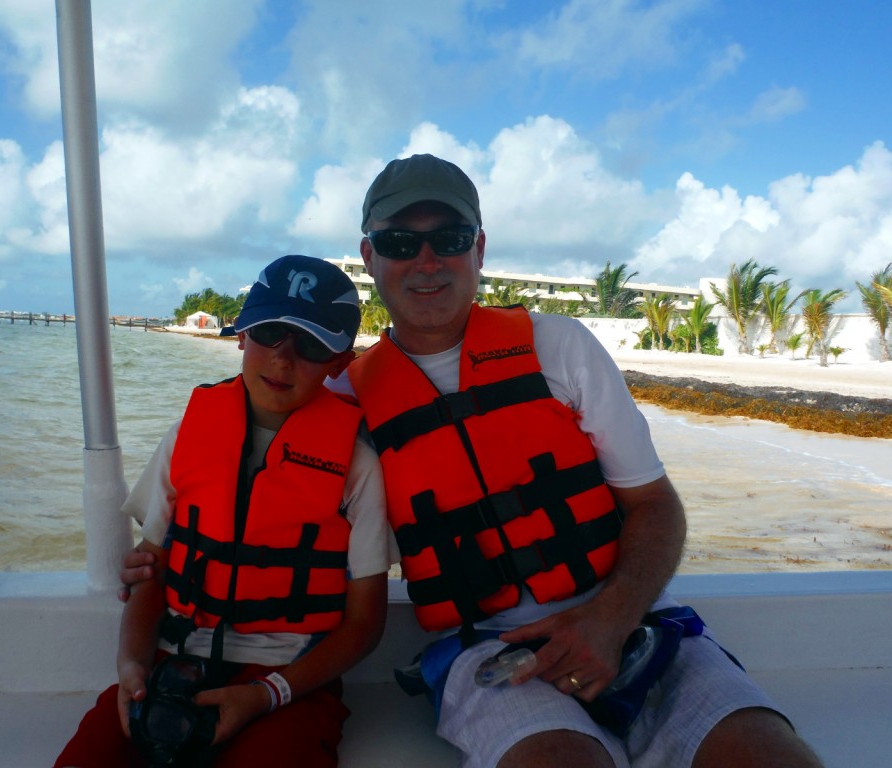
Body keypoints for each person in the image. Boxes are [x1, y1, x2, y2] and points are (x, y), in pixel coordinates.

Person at [123, 156, 823, 768]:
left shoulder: (561, 348)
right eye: (401, 242)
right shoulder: (339, 394)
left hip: (633, 621)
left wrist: (608, 621)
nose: (426, 262)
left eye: (448, 240)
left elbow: (654, 506)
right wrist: (155, 558)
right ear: (370, 257)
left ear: (479, 247)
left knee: (767, 754)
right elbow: (241, 486)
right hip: (483, 650)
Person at [56, 254, 390, 768]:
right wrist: (131, 667)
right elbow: (151, 570)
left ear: (340, 361)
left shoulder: (358, 465)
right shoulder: (190, 432)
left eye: (311, 344)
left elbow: (364, 623)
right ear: (241, 334)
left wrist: (267, 694)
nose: (283, 359)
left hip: (289, 680)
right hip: (173, 661)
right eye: (270, 333)